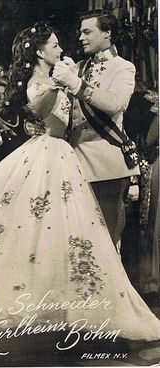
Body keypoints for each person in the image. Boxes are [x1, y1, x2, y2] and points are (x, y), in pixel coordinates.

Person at [0, 22, 160, 352]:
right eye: (55, 45)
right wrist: (57, 85)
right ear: (39, 51)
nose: (62, 49)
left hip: (72, 158)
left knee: (76, 242)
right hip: (50, 156)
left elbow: (98, 103)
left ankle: (86, 318)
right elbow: (41, 109)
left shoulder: (79, 71)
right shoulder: (42, 80)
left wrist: (68, 81)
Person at [51, 10, 140, 248]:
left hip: (106, 169)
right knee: (76, 243)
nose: (81, 37)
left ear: (107, 33)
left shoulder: (123, 68)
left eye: (87, 31)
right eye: (80, 32)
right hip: (74, 166)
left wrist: (75, 83)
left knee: (106, 245)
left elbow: (115, 103)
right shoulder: (78, 67)